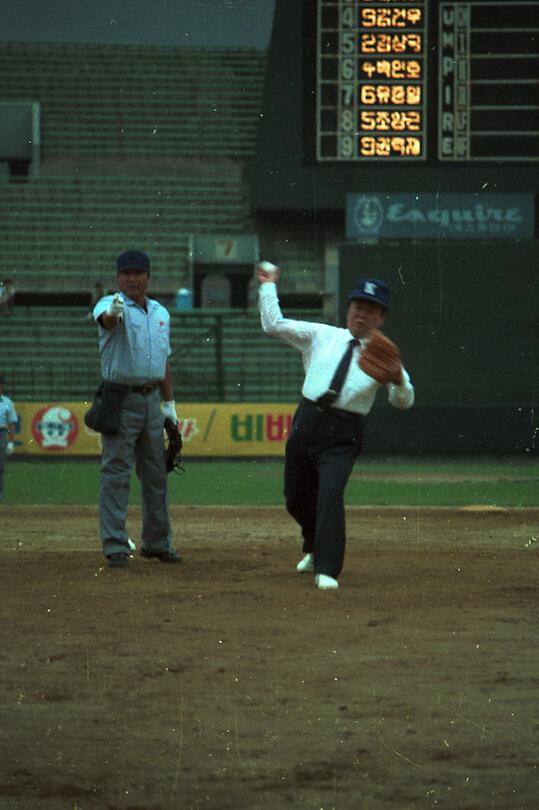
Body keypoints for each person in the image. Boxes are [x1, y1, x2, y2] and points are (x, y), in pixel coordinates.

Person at [257, 264, 414, 590]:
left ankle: (327, 569)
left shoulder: (385, 356)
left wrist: (398, 378)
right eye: (358, 307)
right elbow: (273, 324)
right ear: (348, 309)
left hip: (343, 433)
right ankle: (314, 546)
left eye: (370, 311)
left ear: (381, 318)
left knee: (329, 493)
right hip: (307, 420)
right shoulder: (322, 335)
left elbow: (403, 401)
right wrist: (269, 285)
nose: (361, 315)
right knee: (295, 497)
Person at [93, 249, 181, 568]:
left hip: (151, 399)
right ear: (118, 277)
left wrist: (169, 404)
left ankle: (157, 542)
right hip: (120, 397)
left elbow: (164, 359)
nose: (131, 278)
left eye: (138, 272)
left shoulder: (160, 312)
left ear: (148, 276)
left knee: (156, 472)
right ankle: (115, 544)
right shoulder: (109, 304)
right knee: (116, 470)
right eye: (126, 273)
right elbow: (107, 321)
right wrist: (115, 311)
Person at [0, 374, 17, 502]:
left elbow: (11, 424)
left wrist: (11, 442)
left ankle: (0, 493)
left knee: (0, 466)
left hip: (1, 434)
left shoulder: (7, 403)